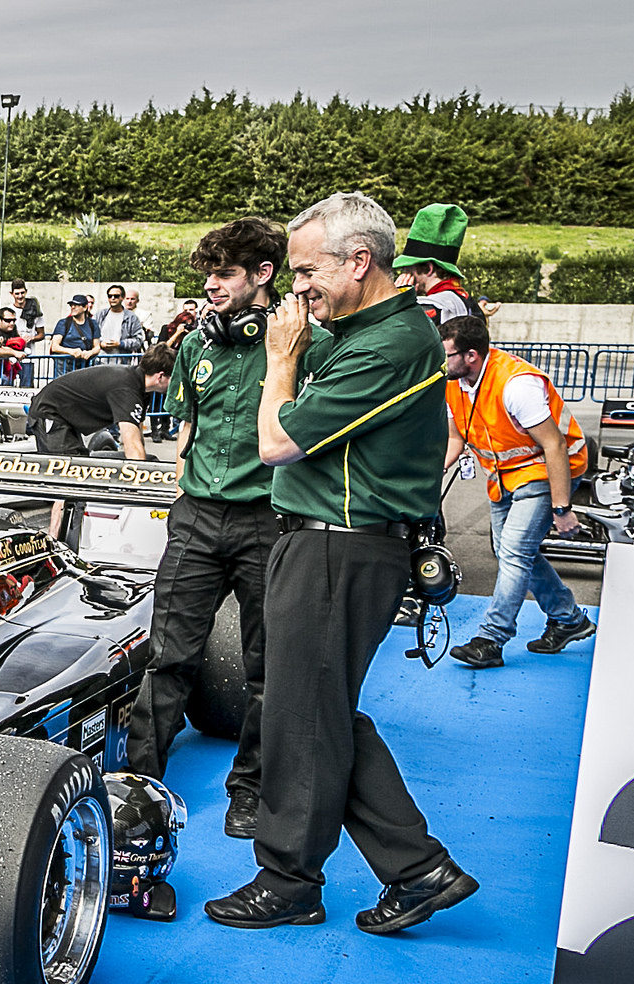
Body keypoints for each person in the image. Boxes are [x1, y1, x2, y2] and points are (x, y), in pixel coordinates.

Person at [205, 190, 476, 936]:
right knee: (315, 711)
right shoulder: (368, 329)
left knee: (304, 714)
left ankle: (291, 878)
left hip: (342, 545)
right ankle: (416, 869)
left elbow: (277, 442)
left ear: (360, 261)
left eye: (304, 272)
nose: (297, 288)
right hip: (324, 541)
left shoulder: (392, 343)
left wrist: (279, 362)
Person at [126, 219, 290, 839]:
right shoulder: (197, 345)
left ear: (262, 275)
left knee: (266, 667)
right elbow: (186, 430)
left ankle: (248, 790)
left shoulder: (299, 344)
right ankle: (141, 787)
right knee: (168, 656)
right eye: (207, 275)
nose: (211, 287)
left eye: (224, 274)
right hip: (195, 517)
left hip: (267, 523)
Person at [438, 315, 595, 668]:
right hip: (504, 477)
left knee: (513, 551)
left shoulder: (516, 385)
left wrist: (562, 508)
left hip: (545, 471)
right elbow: (456, 437)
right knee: (508, 550)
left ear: (472, 356)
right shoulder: (453, 381)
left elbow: (554, 445)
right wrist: (433, 472)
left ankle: (491, 640)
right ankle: (568, 618)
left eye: (445, 354)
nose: (439, 361)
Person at [25, 340, 169, 457]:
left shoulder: (141, 389)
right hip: (49, 410)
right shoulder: (126, 389)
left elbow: (137, 436)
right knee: (65, 468)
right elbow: (131, 443)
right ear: (160, 376)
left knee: (79, 463)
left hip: (67, 414)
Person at [391, 203, 475, 325]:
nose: (405, 275)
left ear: (428, 269)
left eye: (408, 270)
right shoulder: (470, 303)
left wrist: (396, 302)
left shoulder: (427, 309)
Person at [48, 293, 101, 362]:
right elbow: (54, 347)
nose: (72, 307)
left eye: (76, 305)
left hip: (84, 364)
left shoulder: (93, 324)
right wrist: (72, 352)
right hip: (64, 365)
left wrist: (90, 352)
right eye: (71, 305)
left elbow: (97, 347)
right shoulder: (63, 323)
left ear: (85, 307)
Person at [97, 285, 144, 354]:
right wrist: (100, 343)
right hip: (100, 361)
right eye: (110, 296)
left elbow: (138, 340)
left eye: (116, 296)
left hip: (122, 361)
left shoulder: (131, 318)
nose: (112, 298)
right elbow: (90, 336)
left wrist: (121, 344)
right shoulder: (100, 315)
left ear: (122, 298)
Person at [8, 279, 44, 344]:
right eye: (17, 293)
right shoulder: (8, 310)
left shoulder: (35, 309)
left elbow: (41, 334)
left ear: (26, 292)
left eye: (22, 293)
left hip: (31, 351)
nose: (20, 296)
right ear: (11, 294)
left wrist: (32, 338)